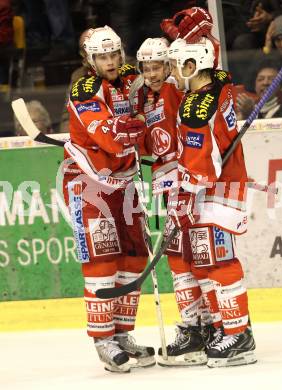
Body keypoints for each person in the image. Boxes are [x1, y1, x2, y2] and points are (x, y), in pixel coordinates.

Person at [62, 26, 155, 373]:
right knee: (102, 259)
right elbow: (111, 139)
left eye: (115, 54)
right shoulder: (84, 89)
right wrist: (126, 130)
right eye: (103, 56)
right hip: (89, 183)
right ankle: (103, 339)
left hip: (126, 182)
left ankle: (123, 333)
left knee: (134, 256)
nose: (112, 61)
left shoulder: (131, 77)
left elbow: (162, 90)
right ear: (90, 59)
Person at [167, 37, 257, 368]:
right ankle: (225, 326)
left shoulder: (195, 107)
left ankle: (239, 335)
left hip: (213, 192)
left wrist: (185, 192)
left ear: (192, 66)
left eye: (178, 64)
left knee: (220, 262)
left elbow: (203, 162)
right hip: (222, 188)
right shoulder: (220, 85)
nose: (173, 71)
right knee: (210, 261)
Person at [137, 36, 224, 367]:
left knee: (196, 255)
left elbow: (210, 74)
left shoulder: (178, 87)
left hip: (187, 180)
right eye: (146, 67)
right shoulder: (144, 93)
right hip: (166, 182)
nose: (153, 72)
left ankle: (207, 325)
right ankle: (195, 326)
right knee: (178, 257)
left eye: (160, 65)